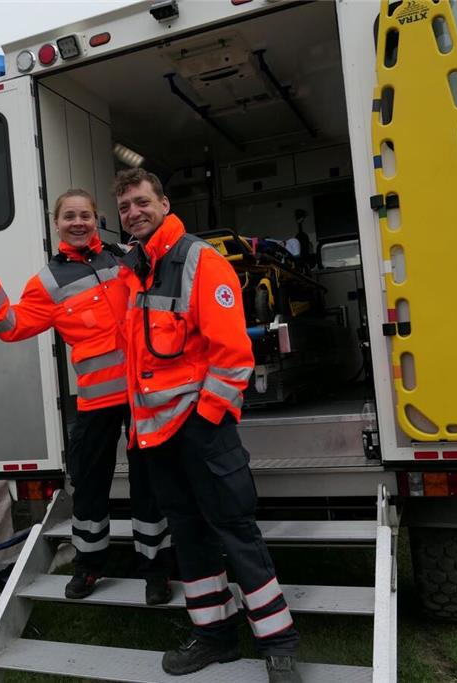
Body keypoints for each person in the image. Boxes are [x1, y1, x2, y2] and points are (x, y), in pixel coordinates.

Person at [114, 169, 301, 682]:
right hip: (157, 438)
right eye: (126, 206)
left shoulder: (199, 260)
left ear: (164, 203)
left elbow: (234, 356)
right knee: (189, 537)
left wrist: (204, 419)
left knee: (236, 532)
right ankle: (214, 637)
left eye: (141, 201)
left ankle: (278, 643)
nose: (133, 211)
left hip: (201, 429)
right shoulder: (135, 272)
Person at [0, 188, 172, 605]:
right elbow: (10, 325)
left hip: (142, 395)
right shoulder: (48, 281)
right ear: (56, 223)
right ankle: (89, 565)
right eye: (69, 217)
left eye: (86, 216)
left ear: (97, 221)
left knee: (150, 484)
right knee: (89, 487)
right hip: (96, 404)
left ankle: (156, 571)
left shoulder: (124, 258)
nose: (78, 223)